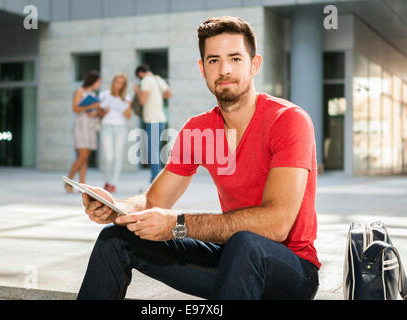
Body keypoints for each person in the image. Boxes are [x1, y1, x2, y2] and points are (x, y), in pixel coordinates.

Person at [77, 16, 320, 300]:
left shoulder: (288, 121)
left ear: (255, 64)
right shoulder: (199, 128)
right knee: (116, 237)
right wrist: (116, 206)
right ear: (202, 69)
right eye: (214, 60)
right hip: (232, 259)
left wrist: (178, 224)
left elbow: (277, 225)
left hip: (292, 270)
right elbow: (154, 201)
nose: (225, 69)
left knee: (246, 244)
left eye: (235, 58)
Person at [133, 64, 172, 183]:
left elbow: (143, 100)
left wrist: (137, 91)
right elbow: (169, 94)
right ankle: (155, 178)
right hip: (160, 119)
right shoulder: (157, 79)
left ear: (140, 73)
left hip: (152, 120)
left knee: (153, 151)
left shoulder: (146, 80)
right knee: (156, 149)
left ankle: (155, 180)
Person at [65, 70, 102, 193]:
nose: (99, 84)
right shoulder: (80, 91)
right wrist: (90, 106)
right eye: (99, 82)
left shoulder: (93, 94)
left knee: (86, 157)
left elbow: (91, 112)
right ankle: (68, 181)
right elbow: (74, 108)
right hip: (81, 125)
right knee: (82, 156)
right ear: (93, 81)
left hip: (90, 126)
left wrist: (95, 111)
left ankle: (82, 185)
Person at [98, 73, 132, 193]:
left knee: (117, 156)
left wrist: (125, 110)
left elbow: (128, 116)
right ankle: (106, 180)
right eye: (117, 82)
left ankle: (113, 183)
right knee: (108, 157)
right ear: (113, 82)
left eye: (121, 84)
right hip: (107, 127)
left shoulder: (126, 98)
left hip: (120, 128)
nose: (119, 85)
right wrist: (105, 111)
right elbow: (99, 114)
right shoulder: (104, 95)